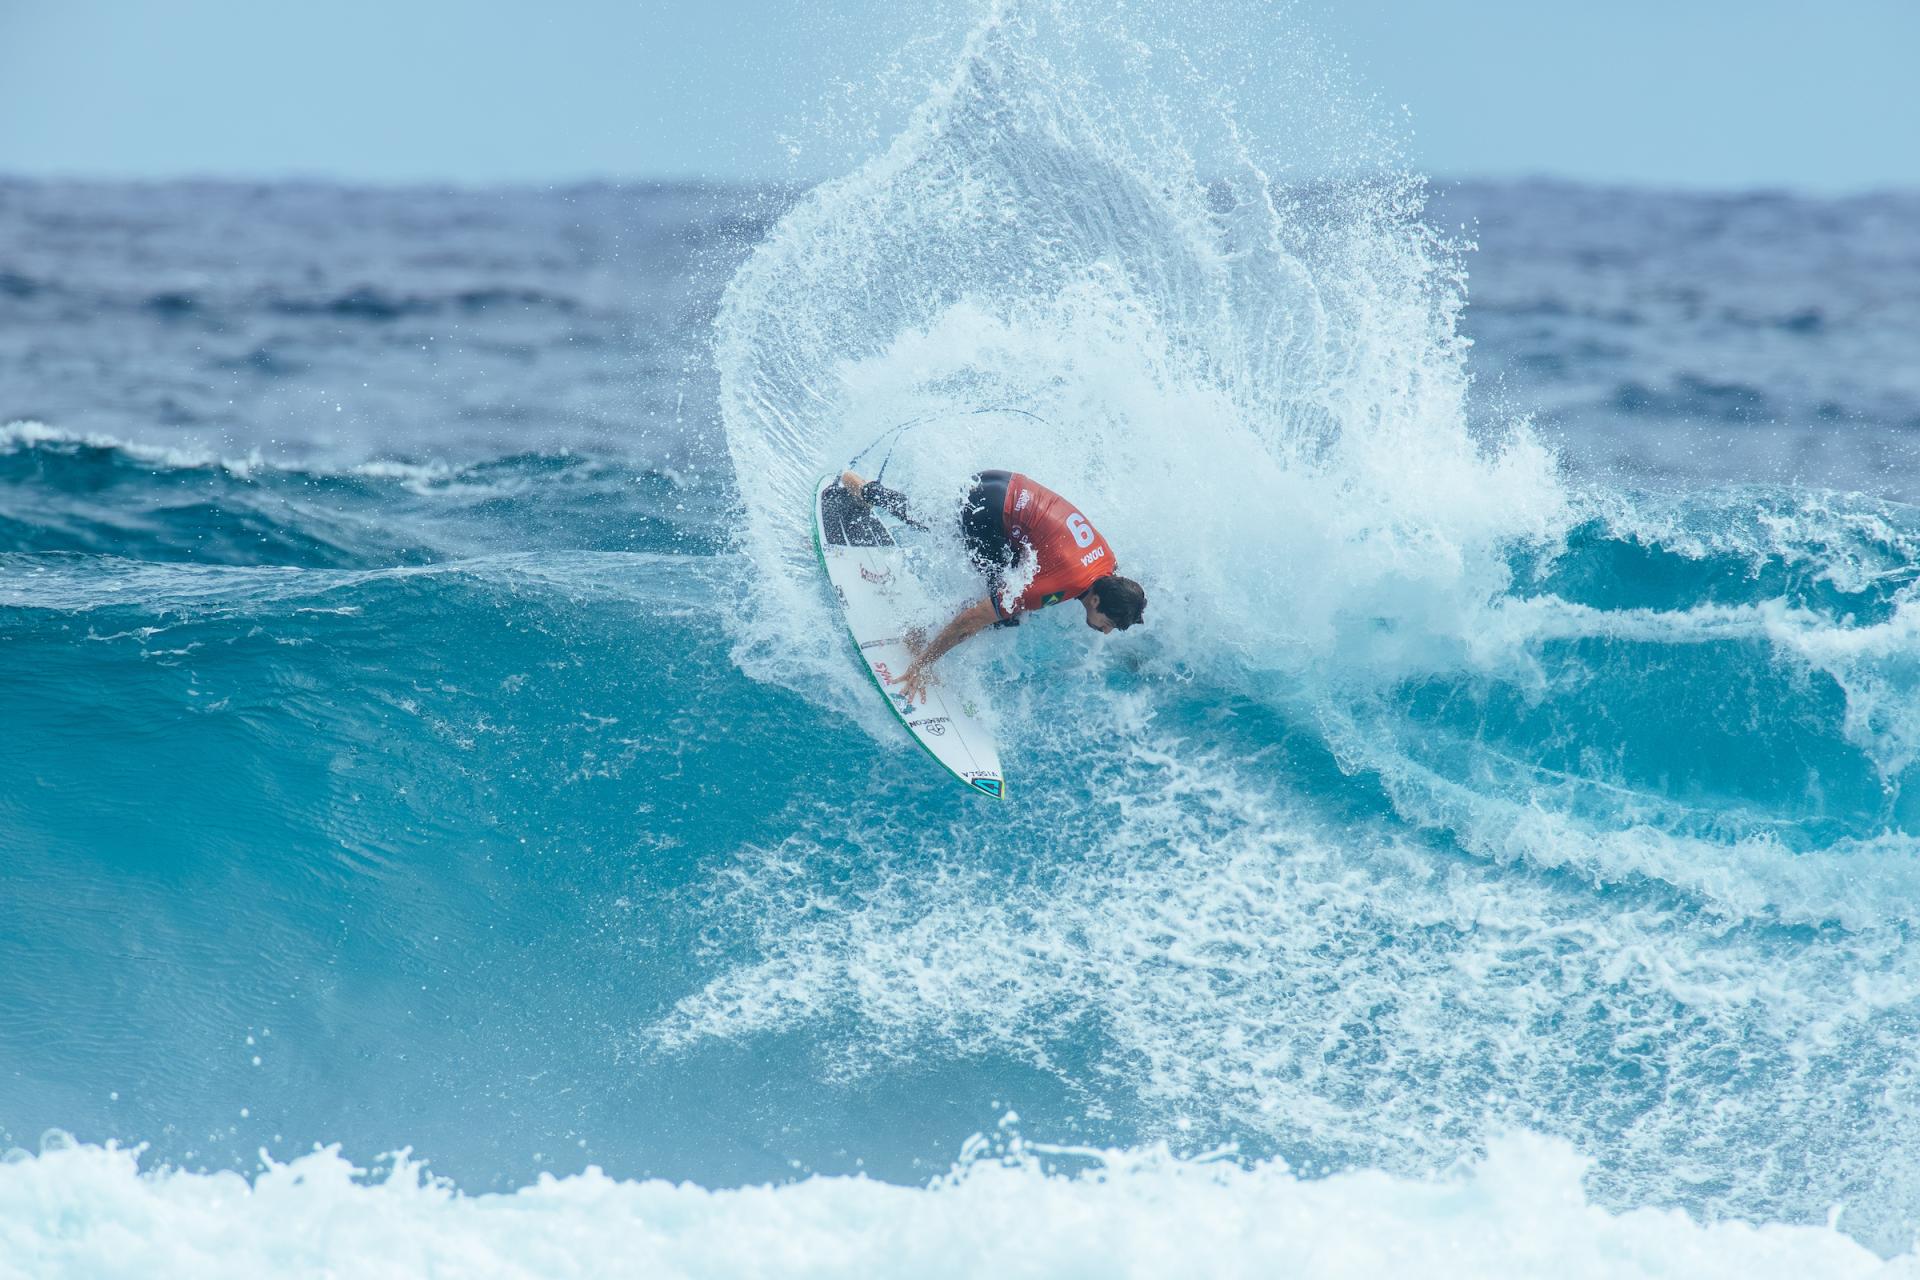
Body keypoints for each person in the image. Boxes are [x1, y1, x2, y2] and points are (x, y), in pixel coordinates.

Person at [839, 468, 1146, 704]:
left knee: (941, 526)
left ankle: (867, 490)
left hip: (1006, 482)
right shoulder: (1056, 585)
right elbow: (972, 618)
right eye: (1109, 623)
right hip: (988, 508)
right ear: (1096, 602)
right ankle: (917, 636)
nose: (1106, 631)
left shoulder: (1108, 565)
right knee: (998, 613)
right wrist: (923, 665)